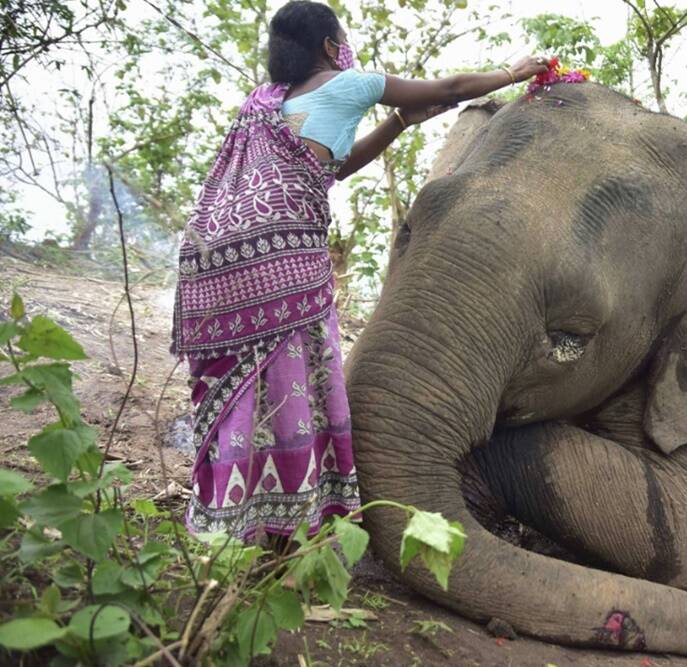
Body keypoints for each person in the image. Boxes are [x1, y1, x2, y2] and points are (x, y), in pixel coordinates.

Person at [171, 0, 549, 541]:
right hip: (282, 259)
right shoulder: (349, 83)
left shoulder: (263, 103)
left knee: (237, 388)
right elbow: (448, 90)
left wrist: (396, 122)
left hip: (219, 262)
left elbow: (333, 168)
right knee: (291, 379)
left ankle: (222, 523)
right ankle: (286, 524)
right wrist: (516, 72)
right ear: (330, 46)